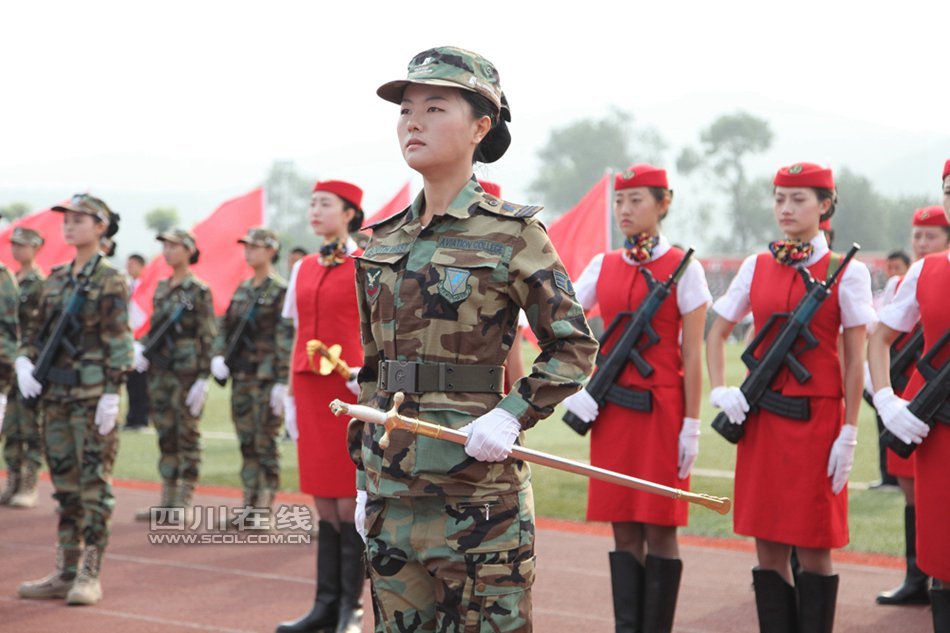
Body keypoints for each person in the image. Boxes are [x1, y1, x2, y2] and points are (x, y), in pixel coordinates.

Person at [352, 46, 598, 631]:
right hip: (393, 493)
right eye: (406, 109)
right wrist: (362, 478)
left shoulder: (512, 233)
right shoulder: (382, 241)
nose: (413, 121)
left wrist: (512, 414)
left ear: (480, 127)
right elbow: (371, 373)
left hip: (479, 497)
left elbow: (572, 346)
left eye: (435, 107)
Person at [706, 163, 874, 632]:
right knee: (768, 545)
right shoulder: (756, 265)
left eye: (797, 199)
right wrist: (721, 389)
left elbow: (854, 358)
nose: (785, 208)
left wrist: (849, 432)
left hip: (818, 423)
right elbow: (717, 332)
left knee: (816, 546)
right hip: (762, 421)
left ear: (825, 205)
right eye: (779, 198)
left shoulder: (848, 272)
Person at [562, 164, 711, 633]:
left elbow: (692, 356)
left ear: (664, 204)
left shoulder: (685, 269)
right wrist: (579, 384)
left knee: (661, 529)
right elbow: (562, 321)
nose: (624, 210)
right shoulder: (602, 264)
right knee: (623, 528)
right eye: (620, 202)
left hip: (662, 415)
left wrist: (691, 424)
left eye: (636, 201)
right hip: (609, 413)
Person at [16, 194, 132, 606]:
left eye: (80, 219)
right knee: (65, 485)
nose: (70, 225)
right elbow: (34, 331)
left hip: (91, 396)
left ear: (101, 227)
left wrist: (111, 394)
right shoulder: (58, 277)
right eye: (67, 219)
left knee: (93, 487)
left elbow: (119, 340)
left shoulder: (110, 280)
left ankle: (89, 573)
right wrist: (24, 361)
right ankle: (65, 571)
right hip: (57, 396)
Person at [276, 180, 365, 633]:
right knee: (322, 503)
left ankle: (350, 608)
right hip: (309, 389)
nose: (315, 210)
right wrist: (289, 394)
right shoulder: (303, 267)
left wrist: (366, 378)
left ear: (349, 213)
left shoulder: (364, 263)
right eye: (312, 203)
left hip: (347, 390)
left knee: (349, 502)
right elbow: (296, 331)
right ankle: (324, 604)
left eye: (324, 204)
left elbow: (374, 331)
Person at [869, 160, 950, 633]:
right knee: (941, 557)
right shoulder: (927, 273)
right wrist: (885, 399)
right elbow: (880, 339)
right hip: (939, 433)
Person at [132, 229, 216, 525]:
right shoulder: (162, 288)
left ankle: (184, 499)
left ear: (188, 250)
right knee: (166, 434)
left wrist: (203, 378)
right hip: (161, 373)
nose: (167, 251)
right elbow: (154, 330)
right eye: (164, 245)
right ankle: (166, 499)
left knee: (187, 435)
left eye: (173, 246)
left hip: (187, 373)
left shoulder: (199, 290)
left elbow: (208, 336)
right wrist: (141, 350)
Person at [211, 227, 293, 516]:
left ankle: (264, 509)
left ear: (271, 250)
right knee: (247, 442)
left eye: (255, 246)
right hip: (242, 378)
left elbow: (286, 339)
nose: (249, 251)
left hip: (267, 378)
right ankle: (248, 506)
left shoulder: (280, 290)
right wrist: (218, 355)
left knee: (265, 444)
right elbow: (226, 327)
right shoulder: (243, 289)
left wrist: (283, 381)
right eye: (246, 246)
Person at [1, 227, 43, 508]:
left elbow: (40, 326)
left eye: (23, 245)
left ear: (35, 248)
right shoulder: (12, 279)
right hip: (8, 360)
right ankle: (13, 480)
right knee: (11, 426)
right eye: (14, 245)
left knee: (30, 426)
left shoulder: (39, 283)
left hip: (29, 362)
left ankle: (29, 483)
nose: (17, 250)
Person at [124, 253, 149, 430]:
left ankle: (141, 417)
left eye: (133, 264)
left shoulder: (146, 288)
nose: (129, 267)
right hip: (129, 339)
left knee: (142, 383)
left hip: (143, 340)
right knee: (130, 382)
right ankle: (131, 416)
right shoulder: (126, 286)